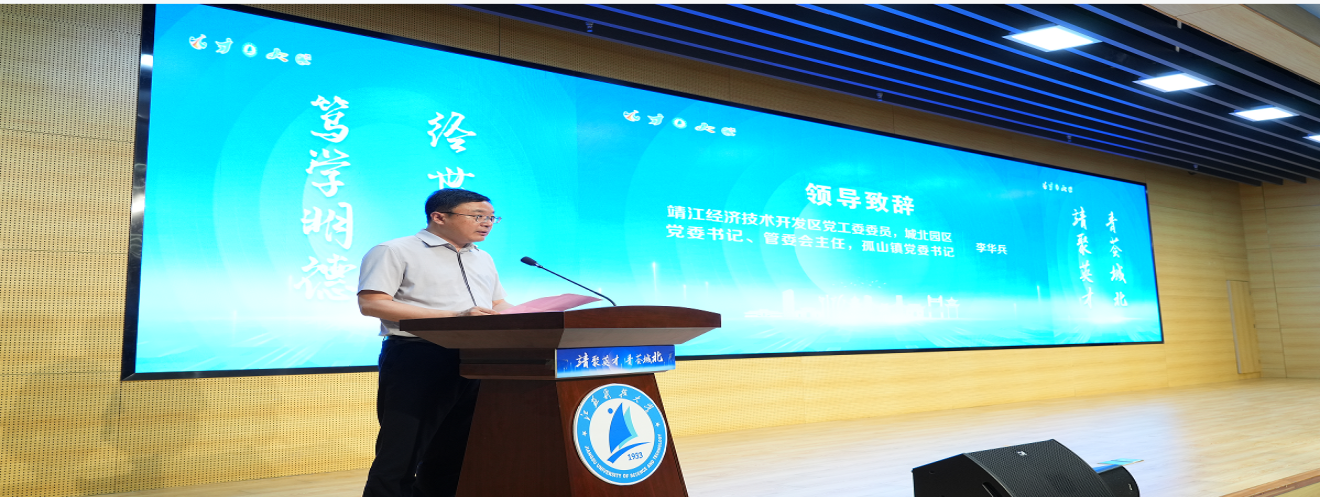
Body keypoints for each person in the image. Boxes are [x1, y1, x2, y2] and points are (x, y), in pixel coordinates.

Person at [357, 188, 512, 497]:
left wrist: (538, 314)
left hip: (477, 359)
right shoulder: (394, 250)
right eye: (477, 216)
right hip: (419, 357)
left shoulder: (482, 258)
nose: (487, 223)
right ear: (439, 217)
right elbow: (372, 303)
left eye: (492, 218)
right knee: (401, 453)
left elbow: (497, 304)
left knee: (454, 455)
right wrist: (455, 316)